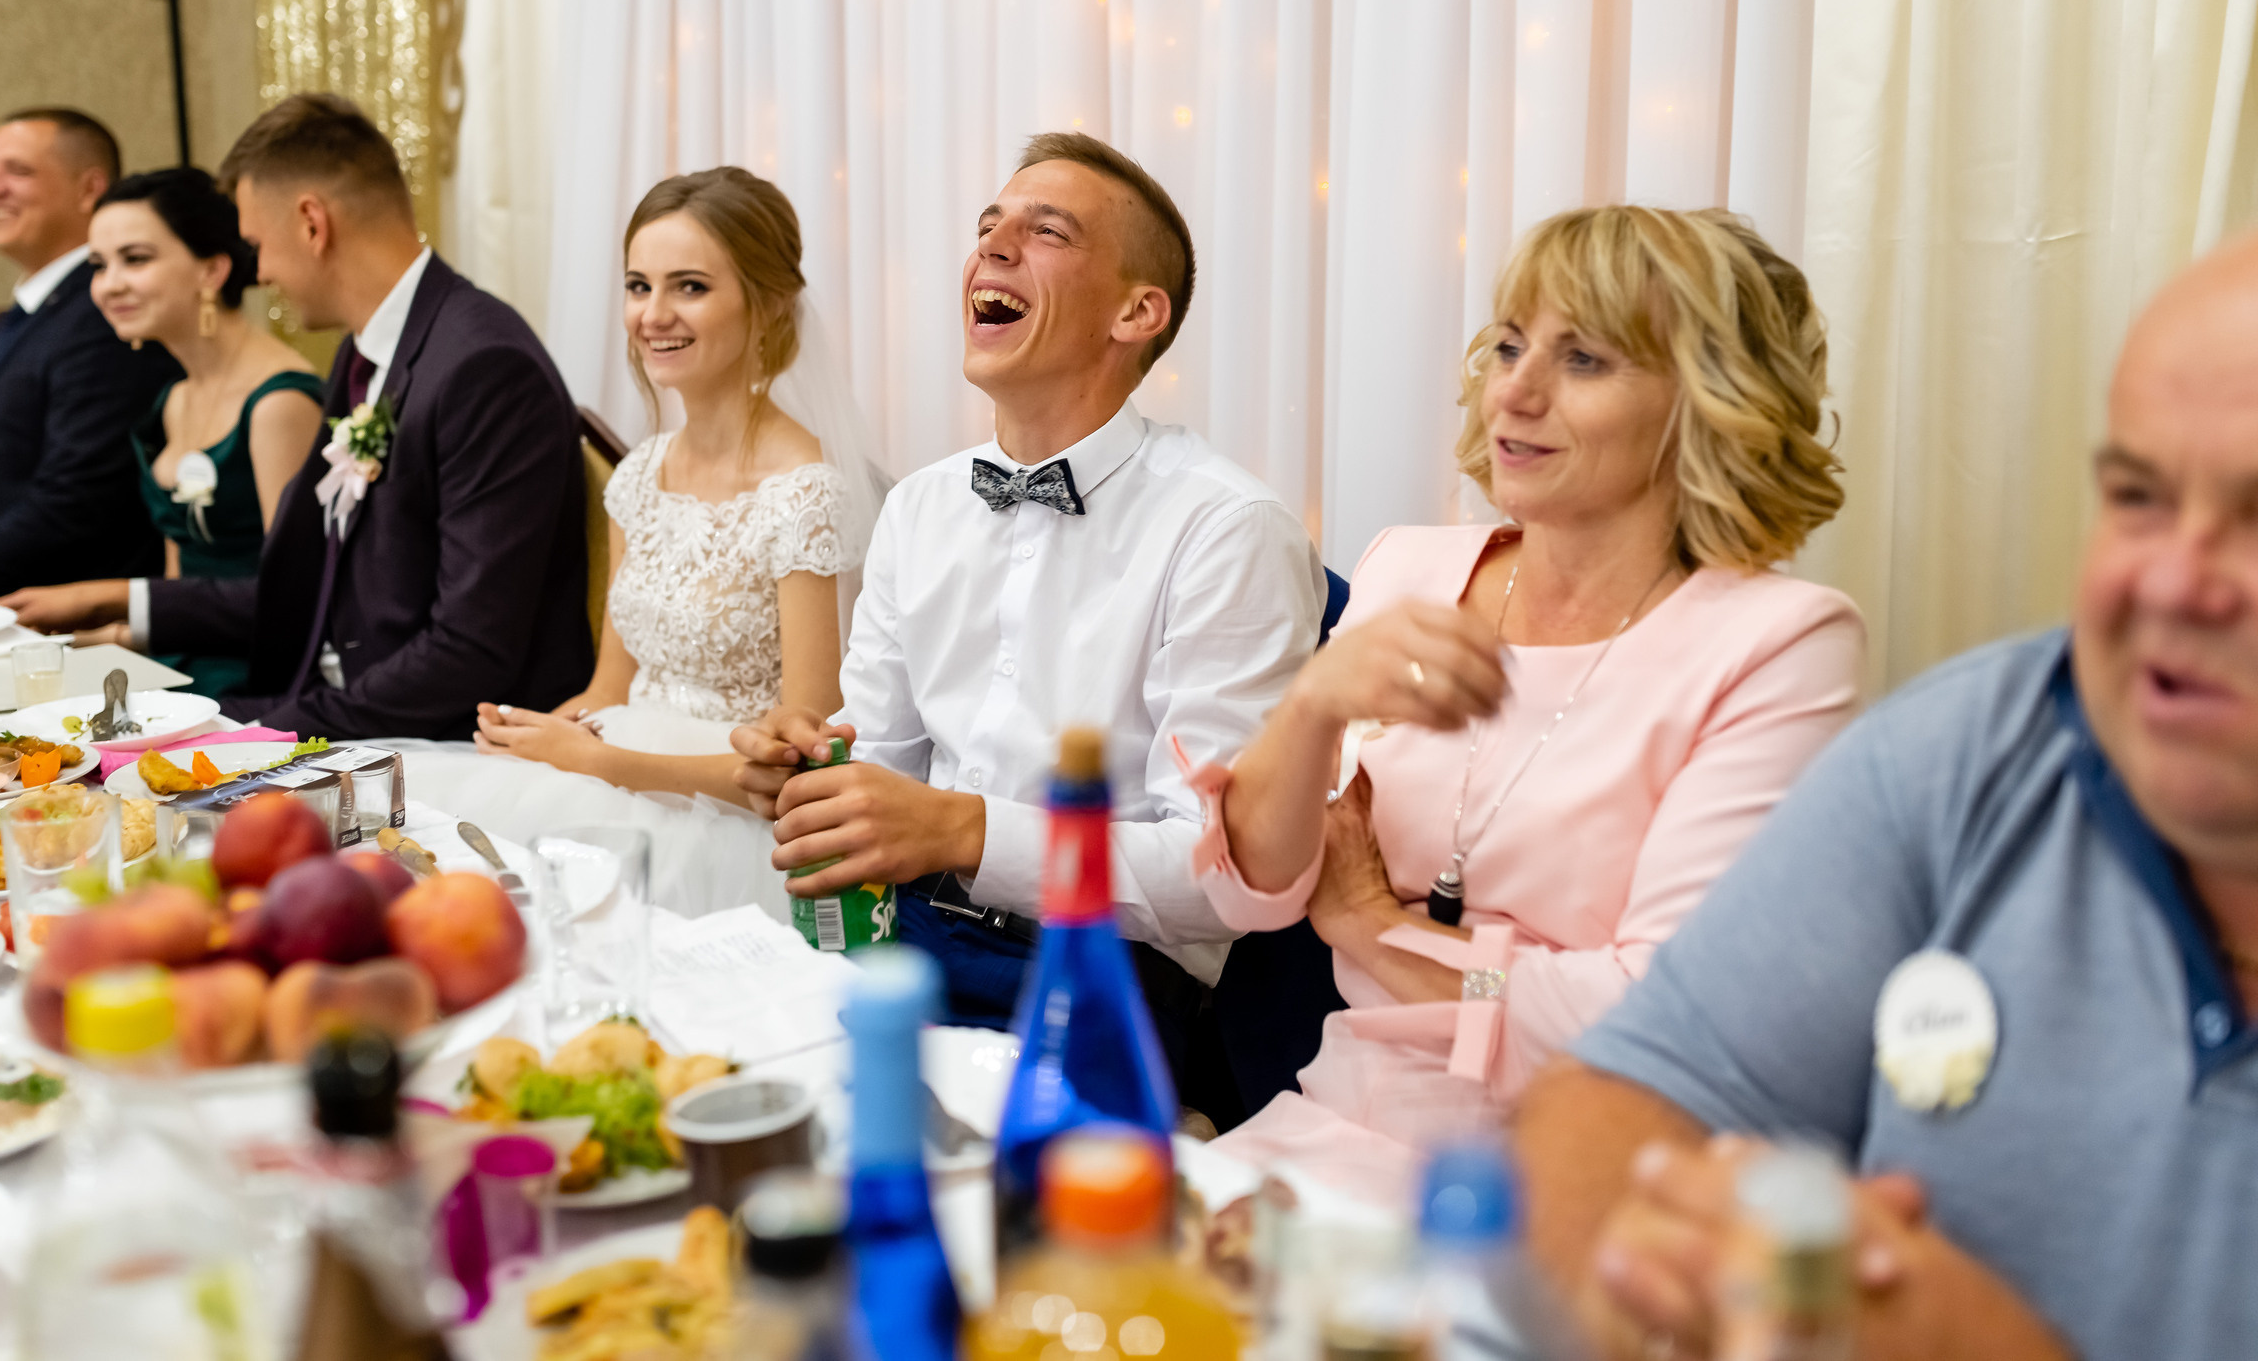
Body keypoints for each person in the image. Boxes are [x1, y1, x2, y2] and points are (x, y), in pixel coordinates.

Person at [1508, 238, 2258, 1361]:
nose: (2171, 579)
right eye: (2138, 497)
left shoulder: (1779, 639)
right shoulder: (1975, 749)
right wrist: (1650, 1281)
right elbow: (1614, 1100)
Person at [1187, 206, 1864, 1198]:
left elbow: (1648, 1011)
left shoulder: (1779, 640)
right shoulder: (1409, 567)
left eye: (1583, 358)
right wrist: (1312, 706)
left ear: (1710, 400)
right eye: (1509, 346)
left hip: (1578, 1178)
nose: (1515, 388)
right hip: (1331, 1123)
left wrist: (1372, 926)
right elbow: (1248, 889)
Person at [730, 132, 1324, 1085]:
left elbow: (1224, 877)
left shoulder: (1228, 528)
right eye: (987, 226)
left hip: (1105, 978)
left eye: (1046, 231)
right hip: (900, 937)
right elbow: (879, 765)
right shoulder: (918, 507)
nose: (992, 248)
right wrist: (812, 777)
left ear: (1137, 311)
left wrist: (963, 830)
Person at [430, 167, 886, 917]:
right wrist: (540, 734)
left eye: (690, 287)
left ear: (768, 305)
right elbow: (611, 689)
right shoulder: (639, 476)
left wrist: (601, 761)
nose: (653, 314)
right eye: (638, 286)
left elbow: (803, 765)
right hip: (610, 768)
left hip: (731, 828)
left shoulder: (807, 495)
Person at [118, 94, 594, 739]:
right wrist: (120, 607)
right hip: (345, 702)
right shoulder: (364, 351)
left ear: (312, 223)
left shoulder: (484, 367)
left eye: (257, 245)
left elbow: (470, 651)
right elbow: (305, 582)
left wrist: (264, 733)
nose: (261, 272)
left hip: (449, 737)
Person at [0, 168, 322, 697]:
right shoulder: (174, 400)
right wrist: (93, 638)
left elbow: (295, 600)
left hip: (260, 683)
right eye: (99, 265)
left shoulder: (279, 402)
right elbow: (179, 590)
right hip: (178, 668)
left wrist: (101, 600)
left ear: (212, 270)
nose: (110, 284)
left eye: (136, 259)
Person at [0, 108, 181, 588]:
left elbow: (76, 503)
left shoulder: (106, 316)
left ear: (89, 190)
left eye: (18, 171)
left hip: (56, 608)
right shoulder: (33, 314)